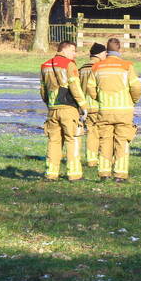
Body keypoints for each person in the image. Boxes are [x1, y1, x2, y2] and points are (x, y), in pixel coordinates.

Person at [85, 38, 141, 182]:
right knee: (122, 142)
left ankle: (104, 173)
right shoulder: (127, 66)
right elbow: (136, 87)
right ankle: (120, 174)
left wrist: (99, 98)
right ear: (120, 49)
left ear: (107, 50)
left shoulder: (97, 67)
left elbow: (90, 88)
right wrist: (133, 100)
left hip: (104, 110)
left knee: (105, 141)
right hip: (124, 111)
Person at [40, 40, 87, 181]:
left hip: (53, 109)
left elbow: (43, 89)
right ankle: (74, 174)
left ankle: (51, 173)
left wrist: (49, 103)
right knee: (72, 140)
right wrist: (83, 106)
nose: (75, 54)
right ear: (64, 50)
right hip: (68, 108)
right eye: (73, 51)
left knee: (53, 141)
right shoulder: (69, 65)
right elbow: (75, 87)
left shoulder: (45, 65)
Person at [78, 42, 107, 168]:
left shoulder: (82, 69)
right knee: (102, 134)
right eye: (105, 53)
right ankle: (102, 158)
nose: (106, 55)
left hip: (85, 107)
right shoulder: (100, 68)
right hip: (98, 106)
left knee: (90, 133)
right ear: (100, 54)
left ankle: (91, 160)